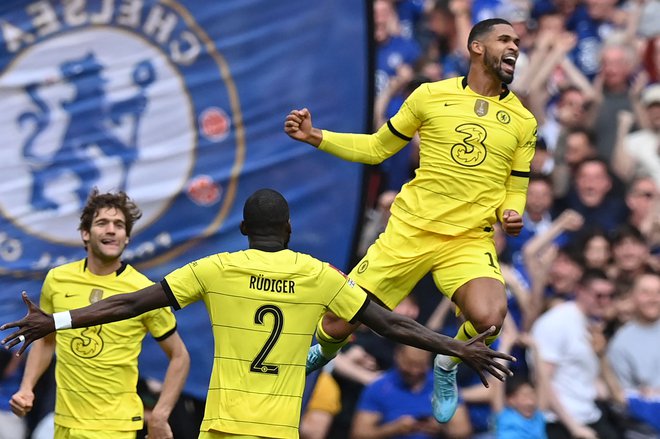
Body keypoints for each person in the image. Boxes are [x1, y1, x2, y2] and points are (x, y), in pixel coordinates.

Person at [2, 189, 515, 439]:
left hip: (221, 426)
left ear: (245, 229)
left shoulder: (218, 268)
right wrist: (455, 347)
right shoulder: (317, 274)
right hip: (276, 429)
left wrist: (58, 321)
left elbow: (129, 303)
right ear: (288, 231)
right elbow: (390, 323)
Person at [284, 18, 537, 423]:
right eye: (504, 39)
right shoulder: (430, 96)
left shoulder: (524, 120)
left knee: (490, 318)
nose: (514, 47)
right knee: (336, 321)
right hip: (409, 231)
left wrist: (513, 213)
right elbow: (375, 149)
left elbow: (517, 186)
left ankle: (447, 364)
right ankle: (324, 352)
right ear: (476, 47)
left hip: (468, 240)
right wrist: (317, 136)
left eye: (517, 42)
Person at [8, 189, 190, 439]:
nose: (112, 230)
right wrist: (27, 387)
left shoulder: (144, 291)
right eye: (102, 223)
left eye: (119, 225)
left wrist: (160, 415)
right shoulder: (57, 279)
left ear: (126, 238)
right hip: (63, 422)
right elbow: (47, 340)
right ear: (85, 233)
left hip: (115, 425)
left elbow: (180, 356)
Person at [350, 344, 470, 439]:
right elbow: (359, 434)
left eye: (420, 365)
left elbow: (463, 430)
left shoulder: (444, 385)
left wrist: (440, 428)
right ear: (398, 356)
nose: (414, 371)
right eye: (409, 364)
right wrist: (394, 429)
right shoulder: (379, 387)